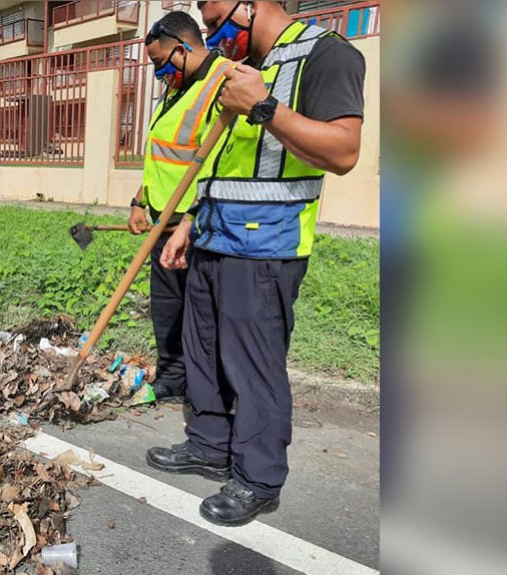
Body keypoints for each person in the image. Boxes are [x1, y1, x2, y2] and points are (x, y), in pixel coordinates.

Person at [146, 0, 365, 526]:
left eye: (216, 20)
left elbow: (343, 152)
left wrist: (263, 105)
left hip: (267, 243)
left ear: (252, 5)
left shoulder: (325, 54)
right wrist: (189, 222)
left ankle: (258, 477)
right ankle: (209, 444)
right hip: (213, 233)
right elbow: (221, 160)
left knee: (252, 364)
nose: (212, 34)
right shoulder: (245, 68)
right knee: (203, 350)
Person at [129, 11, 230, 403]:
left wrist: (190, 220)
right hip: (163, 218)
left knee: (203, 309)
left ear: (183, 48)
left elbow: (221, 163)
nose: (159, 73)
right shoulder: (175, 88)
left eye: (160, 63)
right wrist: (140, 201)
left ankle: (208, 389)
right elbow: (161, 153)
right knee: (167, 305)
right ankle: (172, 377)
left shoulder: (222, 84)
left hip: (201, 222)